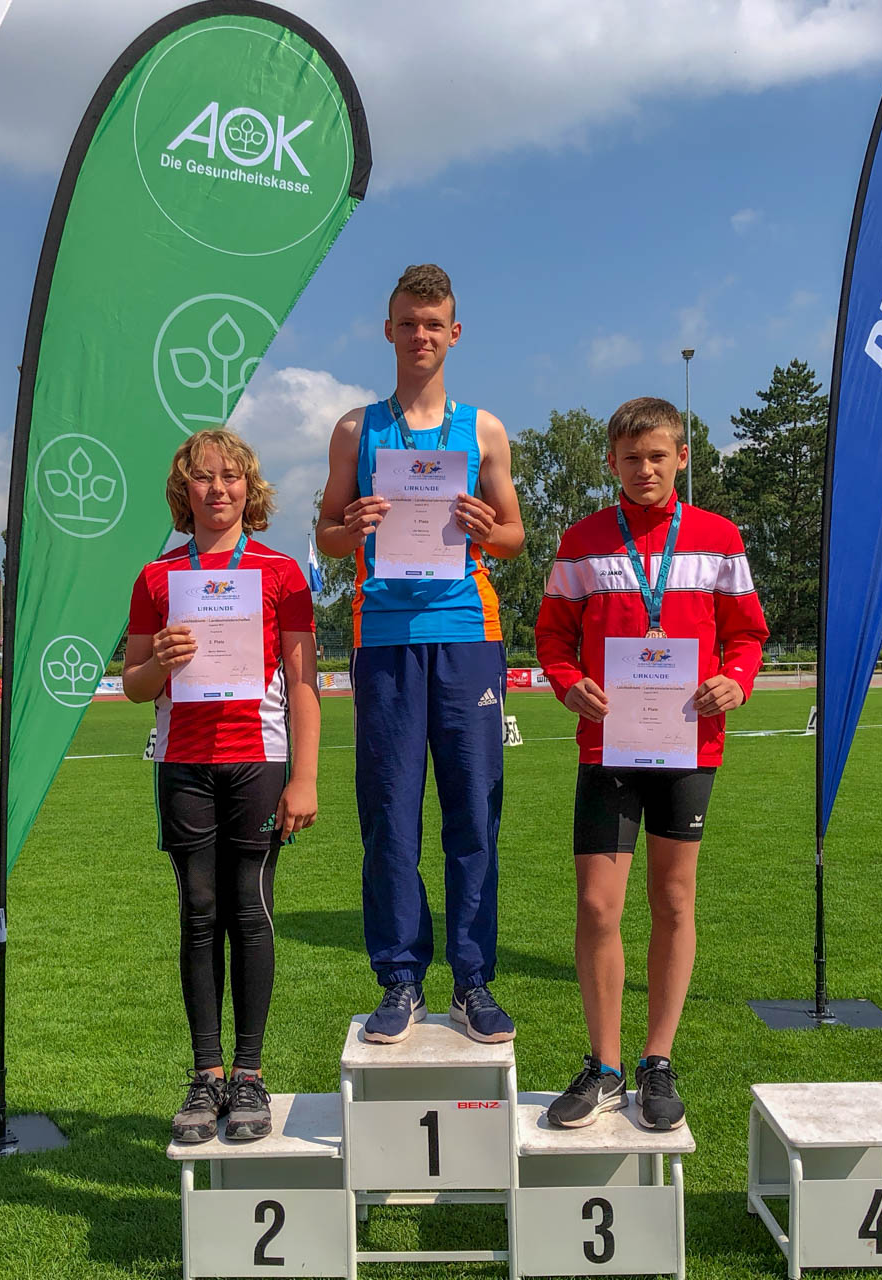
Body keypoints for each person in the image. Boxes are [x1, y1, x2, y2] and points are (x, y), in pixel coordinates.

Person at [536, 397, 768, 1131]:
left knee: (672, 901)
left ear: (682, 458)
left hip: (689, 743)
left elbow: (748, 634)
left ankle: (657, 1061)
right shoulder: (581, 542)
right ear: (612, 461)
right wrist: (568, 682)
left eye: (658, 456)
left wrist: (737, 679)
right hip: (608, 746)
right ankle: (604, 1067)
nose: (645, 469)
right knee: (598, 906)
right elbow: (552, 637)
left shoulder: (718, 537)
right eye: (631, 458)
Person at [316, 264, 525, 1044]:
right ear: (389, 330)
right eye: (408, 323)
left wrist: (486, 529)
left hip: (468, 634)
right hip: (385, 638)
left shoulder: (485, 430)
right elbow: (326, 534)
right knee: (390, 818)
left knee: (473, 813)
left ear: (454, 333)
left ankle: (472, 982)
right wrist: (353, 526)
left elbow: (514, 536)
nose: (420, 335)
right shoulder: (356, 429)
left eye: (433, 324)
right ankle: (400, 979)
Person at [124, 429, 320, 1144]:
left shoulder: (281, 573)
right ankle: (207, 1075)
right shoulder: (156, 578)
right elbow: (135, 684)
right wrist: (161, 661)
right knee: (199, 913)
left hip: (258, 761)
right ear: (185, 489)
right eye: (204, 477)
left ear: (249, 488)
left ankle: (250, 1075)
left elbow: (304, 683)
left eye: (231, 476)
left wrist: (305, 776)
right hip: (183, 763)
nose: (218, 489)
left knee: (252, 909)